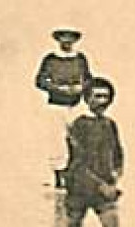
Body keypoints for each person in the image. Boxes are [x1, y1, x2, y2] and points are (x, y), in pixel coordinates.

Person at [50, 77, 126, 227]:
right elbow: (78, 162)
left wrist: (115, 178)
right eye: (96, 96)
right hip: (80, 190)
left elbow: (118, 154)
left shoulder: (110, 125)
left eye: (105, 96)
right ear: (87, 98)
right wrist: (101, 184)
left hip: (104, 192)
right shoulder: (79, 125)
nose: (101, 101)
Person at [34, 28, 93, 188]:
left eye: (70, 38)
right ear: (58, 40)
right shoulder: (50, 59)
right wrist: (57, 88)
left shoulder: (80, 59)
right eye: (63, 38)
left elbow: (89, 80)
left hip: (75, 105)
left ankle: (76, 175)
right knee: (57, 142)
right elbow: (40, 80)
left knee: (78, 139)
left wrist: (80, 88)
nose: (67, 41)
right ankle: (59, 177)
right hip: (56, 106)